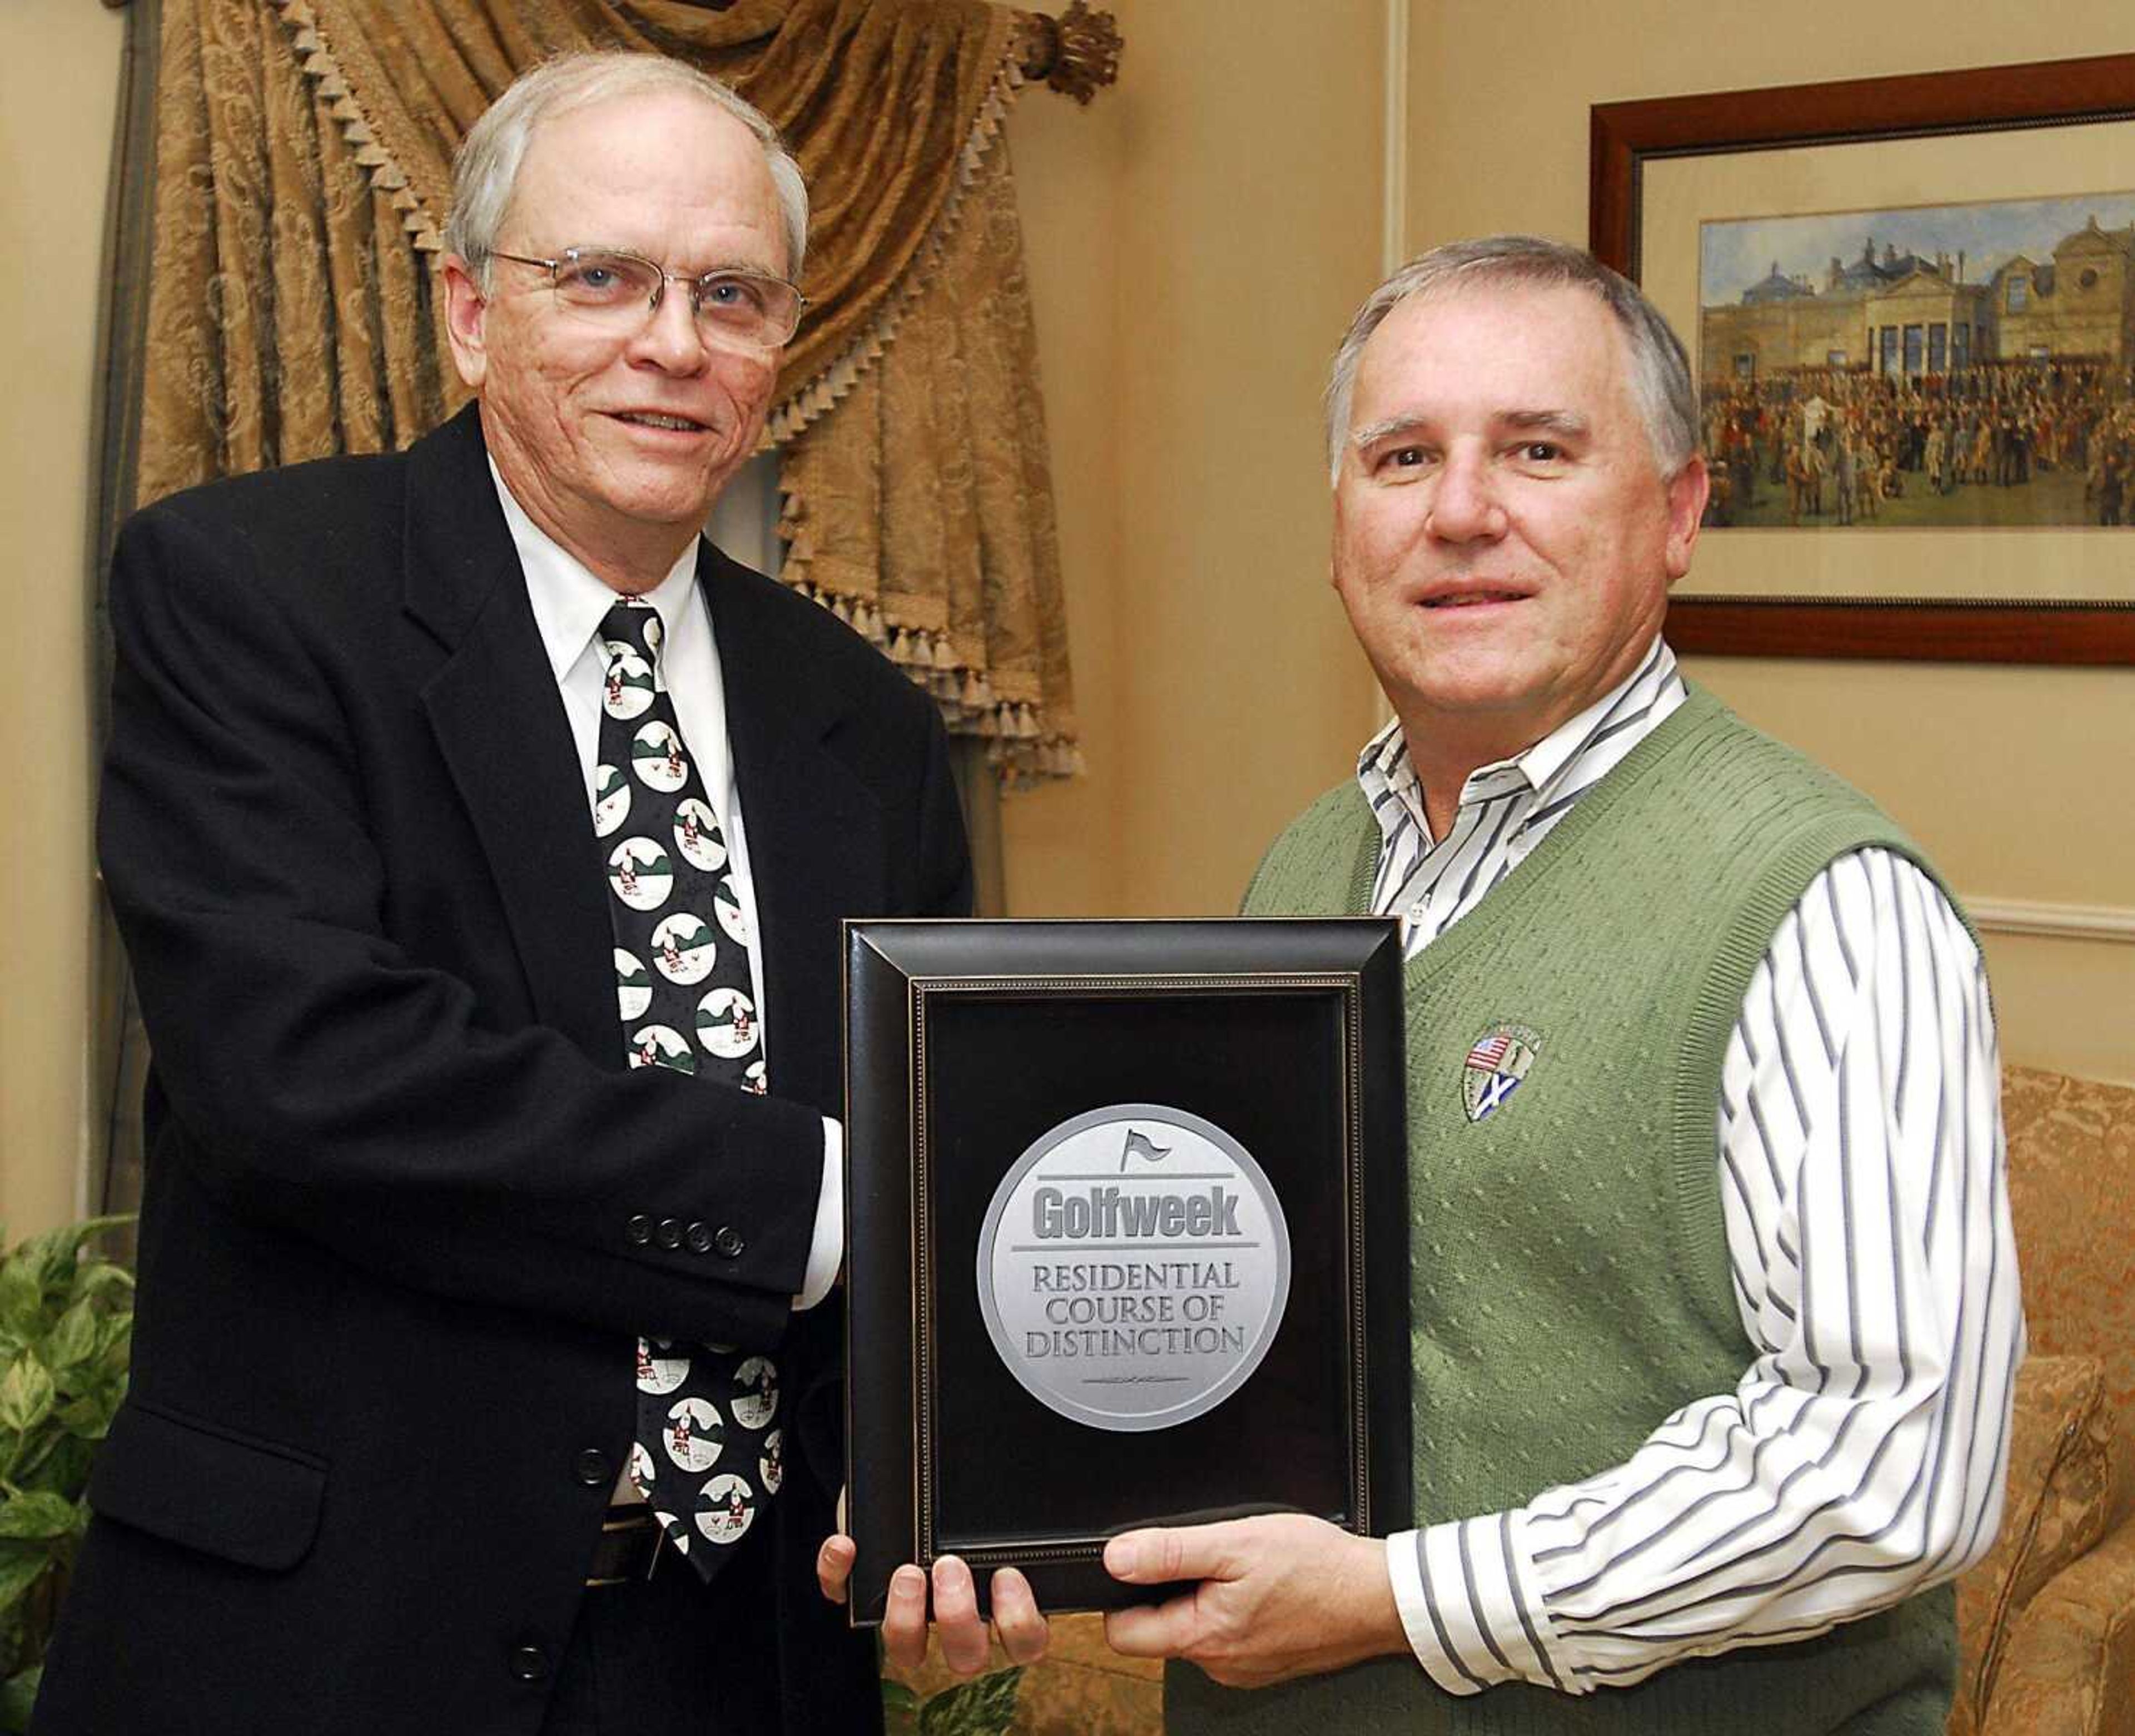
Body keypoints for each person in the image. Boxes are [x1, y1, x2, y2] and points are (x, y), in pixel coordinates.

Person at [35, 51, 974, 1736]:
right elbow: (312, 1076)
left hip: (745, 1663)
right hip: (326, 1648)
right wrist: (824, 1203)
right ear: (471, 313)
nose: (674, 344)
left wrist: (955, 1508)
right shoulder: (249, 596)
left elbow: (929, 1150)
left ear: (780, 343)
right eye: (603, 277)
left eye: (732, 293)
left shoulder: (870, 725)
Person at [1094, 237, 2022, 1733]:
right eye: (1404, 457)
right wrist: (1016, 1518)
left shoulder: (1826, 900)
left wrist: (1403, 1598)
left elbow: (1889, 1463)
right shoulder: (1305, 863)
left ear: (1676, 514)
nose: (1463, 512)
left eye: (1537, 449)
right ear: (1338, 531)